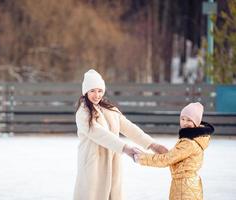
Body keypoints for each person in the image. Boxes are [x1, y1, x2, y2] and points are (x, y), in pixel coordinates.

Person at [73, 69, 168, 200]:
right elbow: (99, 134)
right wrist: (126, 148)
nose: (97, 95)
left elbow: (129, 127)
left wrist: (152, 144)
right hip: (93, 164)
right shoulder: (82, 113)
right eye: (92, 91)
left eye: (100, 90)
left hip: (112, 162)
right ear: (86, 92)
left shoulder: (110, 110)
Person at [134, 102, 215, 200]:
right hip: (189, 184)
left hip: (184, 187)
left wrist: (141, 157)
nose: (185, 122)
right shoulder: (194, 138)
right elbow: (177, 159)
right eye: (183, 119)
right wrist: (162, 151)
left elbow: (167, 160)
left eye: (189, 120)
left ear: (196, 122)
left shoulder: (189, 142)